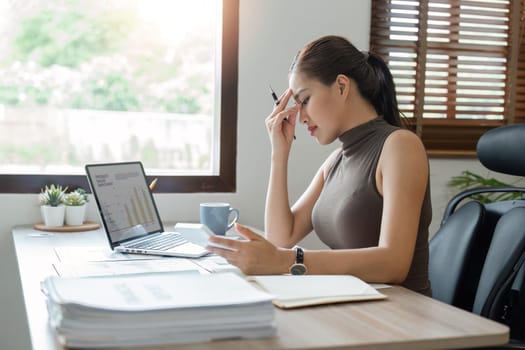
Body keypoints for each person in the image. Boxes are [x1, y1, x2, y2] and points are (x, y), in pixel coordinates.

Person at [207, 35, 432, 295]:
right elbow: (281, 238)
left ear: (341, 86)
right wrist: (279, 153)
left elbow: (394, 264)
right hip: (354, 304)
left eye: (305, 100)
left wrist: (288, 261)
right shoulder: (335, 162)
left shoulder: (400, 146)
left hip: (403, 315)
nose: (301, 117)